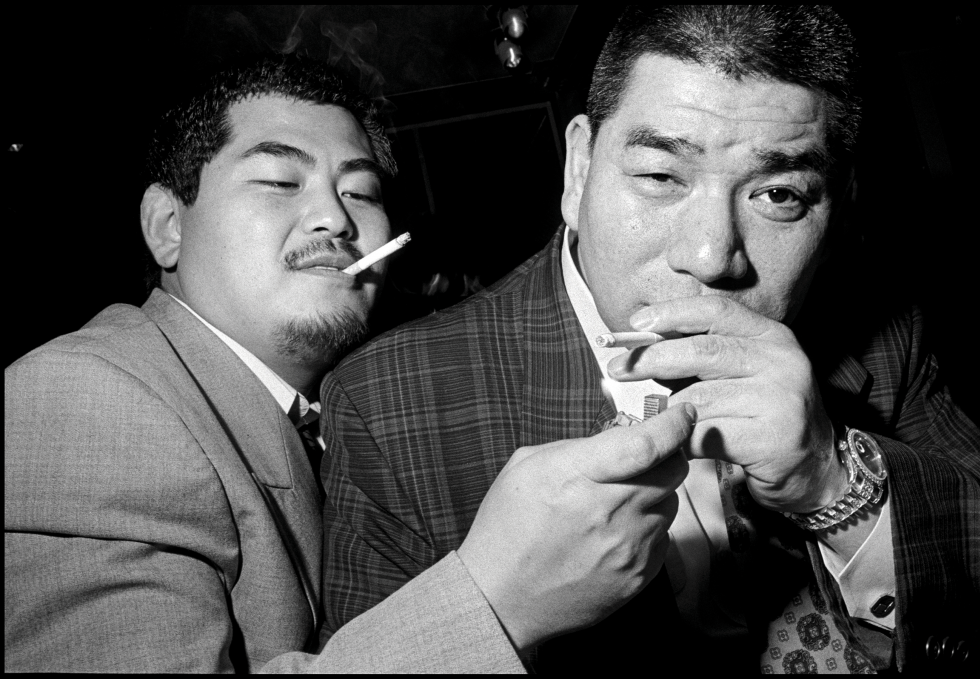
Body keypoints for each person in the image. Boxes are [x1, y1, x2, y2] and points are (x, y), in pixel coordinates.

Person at [320, 6, 980, 673]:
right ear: (579, 170)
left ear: (835, 212)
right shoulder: (384, 401)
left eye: (778, 194)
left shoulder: (883, 332)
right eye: (660, 176)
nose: (711, 257)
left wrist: (831, 481)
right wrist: (499, 610)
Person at [4, 57, 695, 672]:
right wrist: (496, 600)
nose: (335, 218)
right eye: (280, 180)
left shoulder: (345, 409)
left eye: (361, 192)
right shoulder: (85, 397)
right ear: (167, 226)